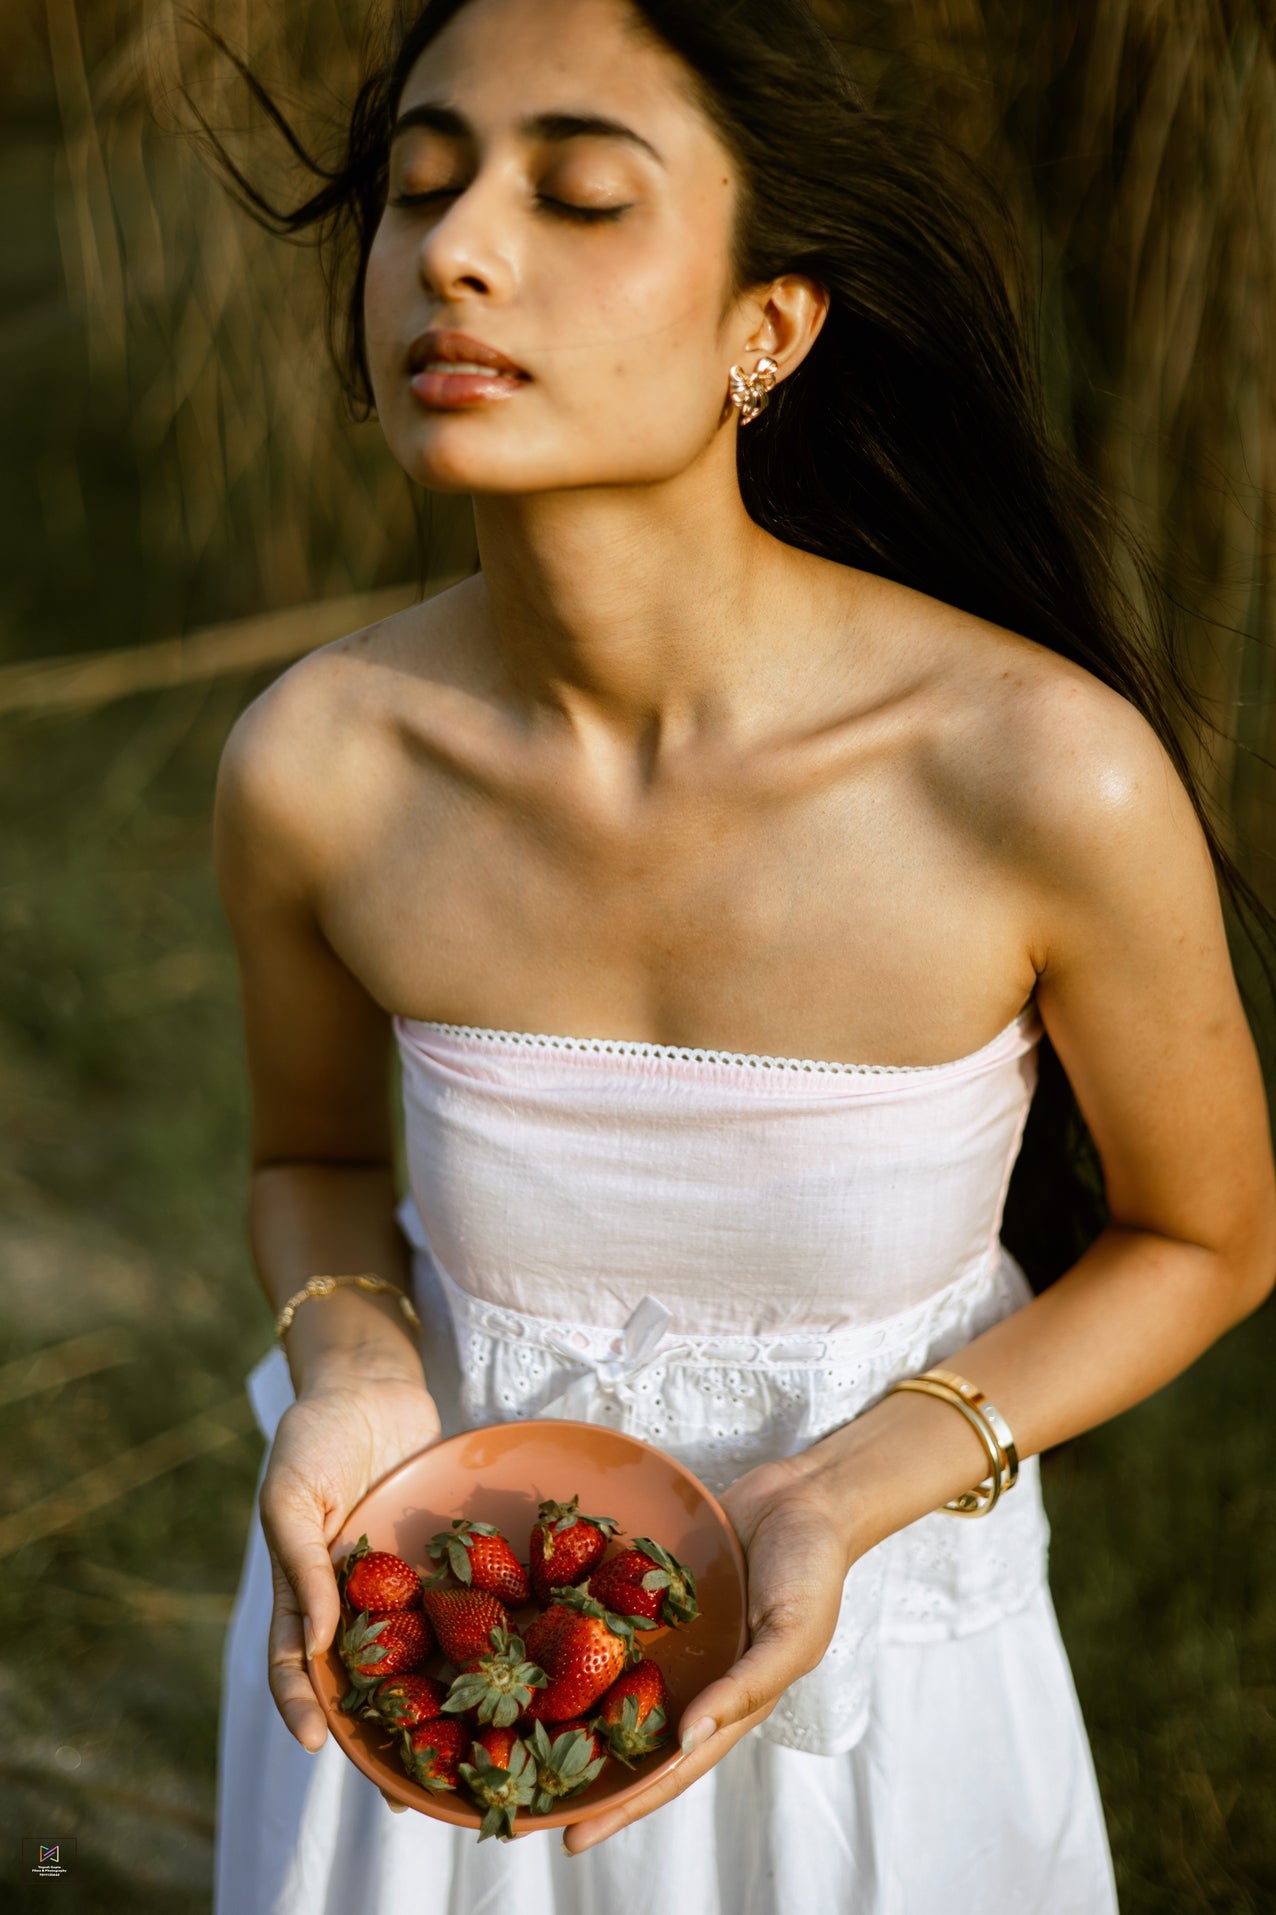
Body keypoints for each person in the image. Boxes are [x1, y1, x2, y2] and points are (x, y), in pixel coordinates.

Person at [207, 0, 1276, 1909]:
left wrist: (849, 1490)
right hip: (443, 1677)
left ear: (766, 328)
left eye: (581, 196)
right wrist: (353, 1372)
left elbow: (1208, 1239)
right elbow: (312, 1162)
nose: (455, 250)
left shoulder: (1036, 774)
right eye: (421, 187)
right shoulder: (320, 768)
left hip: (881, 1705)